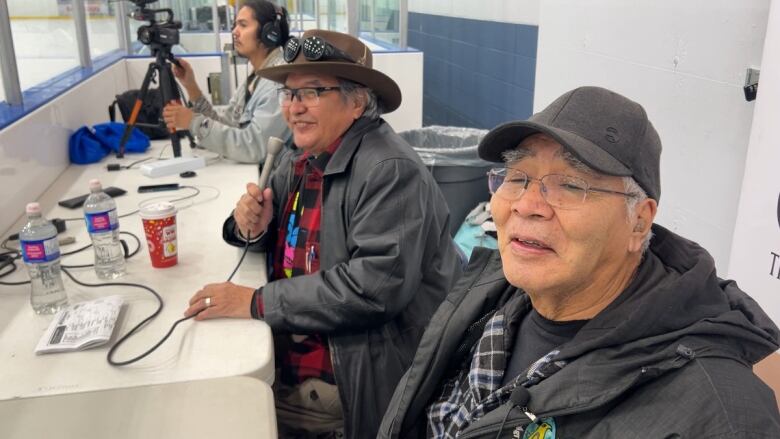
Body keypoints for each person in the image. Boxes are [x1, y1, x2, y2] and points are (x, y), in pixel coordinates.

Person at [378, 86, 780, 438]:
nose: (527, 205)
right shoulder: (488, 297)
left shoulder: (717, 413)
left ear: (639, 222)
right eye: (517, 178)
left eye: (570, 185)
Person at [183, 30, 463, 439]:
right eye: (289, 94)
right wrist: (251, 226)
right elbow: (281, 237)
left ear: (357, 102)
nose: (293, 108)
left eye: (311, 92)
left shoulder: (388, 171)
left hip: (354, 375)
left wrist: (257, 302)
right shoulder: (299, 157)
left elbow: (372, 289)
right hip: (301, 339)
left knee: (214, 413)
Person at [162, 0, 291, 163]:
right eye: (235, 25)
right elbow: (227, 124)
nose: (234, 32)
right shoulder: (257, 77)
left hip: (272, 183)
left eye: (243, 25)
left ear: (268, 33)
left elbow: (254, 148)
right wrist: (191, 87)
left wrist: (193, 122)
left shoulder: (278, 81)